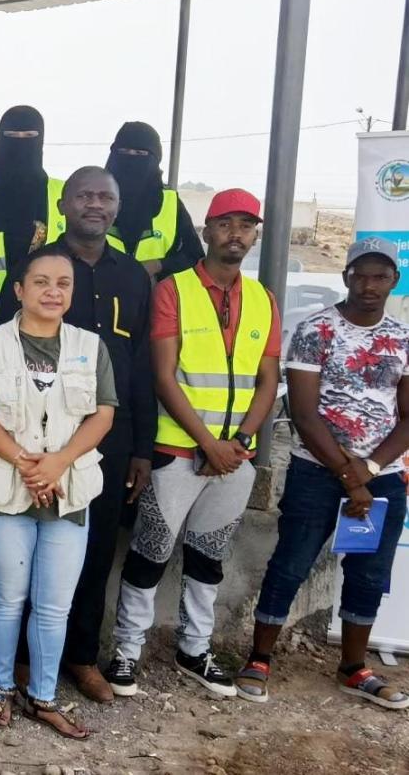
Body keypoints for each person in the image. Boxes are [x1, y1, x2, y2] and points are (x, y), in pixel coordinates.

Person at [107, 188, 282, 699]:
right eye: (226, 224)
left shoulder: (263, 299)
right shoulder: (174, 290)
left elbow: (268, 379)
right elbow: (163, 376)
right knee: (149, 554)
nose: (236, 234)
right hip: (178, 453)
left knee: (209, 558)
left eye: (246, 226)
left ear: (256, 235)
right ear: (206, 230)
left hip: (233, 458)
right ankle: (126, 651)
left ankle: (194, 648)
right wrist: (209, 443)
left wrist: (241, 440)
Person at [235, 238, 409, 709]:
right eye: (361, 274)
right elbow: (304, 413)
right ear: (346, 276)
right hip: (317, 471)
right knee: (291, 563)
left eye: (380, 276)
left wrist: (370, 470)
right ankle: (259, 658)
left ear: (394, 281)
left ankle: (355, 668)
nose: (370, 285)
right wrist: (350, 476)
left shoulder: (403, 338)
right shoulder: (316, 330)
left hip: (382, 479)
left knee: (369, 573)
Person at [0, 247, 117, 739]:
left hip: (68, 492)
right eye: (41, 282)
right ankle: (0, 689)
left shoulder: (90, 347)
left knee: (54, 605)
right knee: (8, 598)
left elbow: (102, 414)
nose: (53, 292)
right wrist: (24, 463)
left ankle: (45, 697)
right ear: (19, 290)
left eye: (64, 284)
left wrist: (57, 463)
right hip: (5, 491)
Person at [0, 105, 66, 332]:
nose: (21, 144)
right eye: (12, 137)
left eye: (29, 137)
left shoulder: (62, 196)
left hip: (48, 334)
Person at [104, 122, 203, 279]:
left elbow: (194, 256)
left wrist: (158, 265)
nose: (131, 159)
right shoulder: (93, 198)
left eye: (141, 153)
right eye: (124, 151)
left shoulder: (170, 204)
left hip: (156, 298)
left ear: (155, 159)